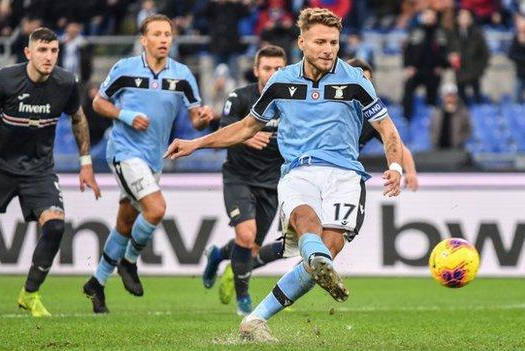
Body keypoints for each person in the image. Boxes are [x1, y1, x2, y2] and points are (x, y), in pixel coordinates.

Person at [165, 8, 404, 341]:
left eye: (334, 42)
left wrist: (395, 167)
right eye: (320, 42)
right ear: (302, 42)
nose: (328, 49)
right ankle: (314, 260)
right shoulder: (281, 82)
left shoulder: (355, 81)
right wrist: (197, 143)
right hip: (299, 170)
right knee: (307, 224)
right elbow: (247, 127)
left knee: (327, 251)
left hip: (346, 175)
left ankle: (255, 319)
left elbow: (387, 129)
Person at [82, 14, 214, 314]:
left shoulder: (182, 74)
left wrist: (203, 117)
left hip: (154, 158)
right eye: (157, 34)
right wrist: (126, 116)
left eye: (168, 34)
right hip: (125, 153)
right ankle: (129, 261)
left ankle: (97, 283)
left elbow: (194, 120)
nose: (164, 39)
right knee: (156, 209)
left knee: (126, 221)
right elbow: (98, 103)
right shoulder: (125, 68)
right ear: (144, 39)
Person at [0, 27, 101, 317]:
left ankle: (30, 294)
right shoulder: (6, 79)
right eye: (42, 50)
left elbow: (78, 118)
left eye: (54, 50)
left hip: (39, 170)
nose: (49, 56)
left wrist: (86, 164)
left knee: (55, 225)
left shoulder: (66, 82)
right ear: (28, 53)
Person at [201, 45, 288, 316]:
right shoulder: (239, 97)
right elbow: (223, 128)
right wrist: (247, 135)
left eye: (279, 69)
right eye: (267, 68)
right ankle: (243, 299)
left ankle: (218, 254)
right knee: (246, 234)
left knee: (251, 248)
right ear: (256, 71)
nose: (273, 73)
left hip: (273, 182)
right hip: (239, 177)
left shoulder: (292, 103)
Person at [347, 58, 419, 191]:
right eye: (360, 82)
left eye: (368, 82)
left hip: (345, 174)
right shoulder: (327, 106)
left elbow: (398, 145)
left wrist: (410, 172)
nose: (364, 87)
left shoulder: (372, 119)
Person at [430, 82, 472, 150]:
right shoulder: (436, 113)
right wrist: (434, 140)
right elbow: (432, 129)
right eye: (447, 95)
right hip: (438, 149)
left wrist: (459, 140)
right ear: (443, 97)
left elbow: (468, 130)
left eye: (452, 95)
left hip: (456, 149)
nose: (450, 98)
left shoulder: (463, 112)